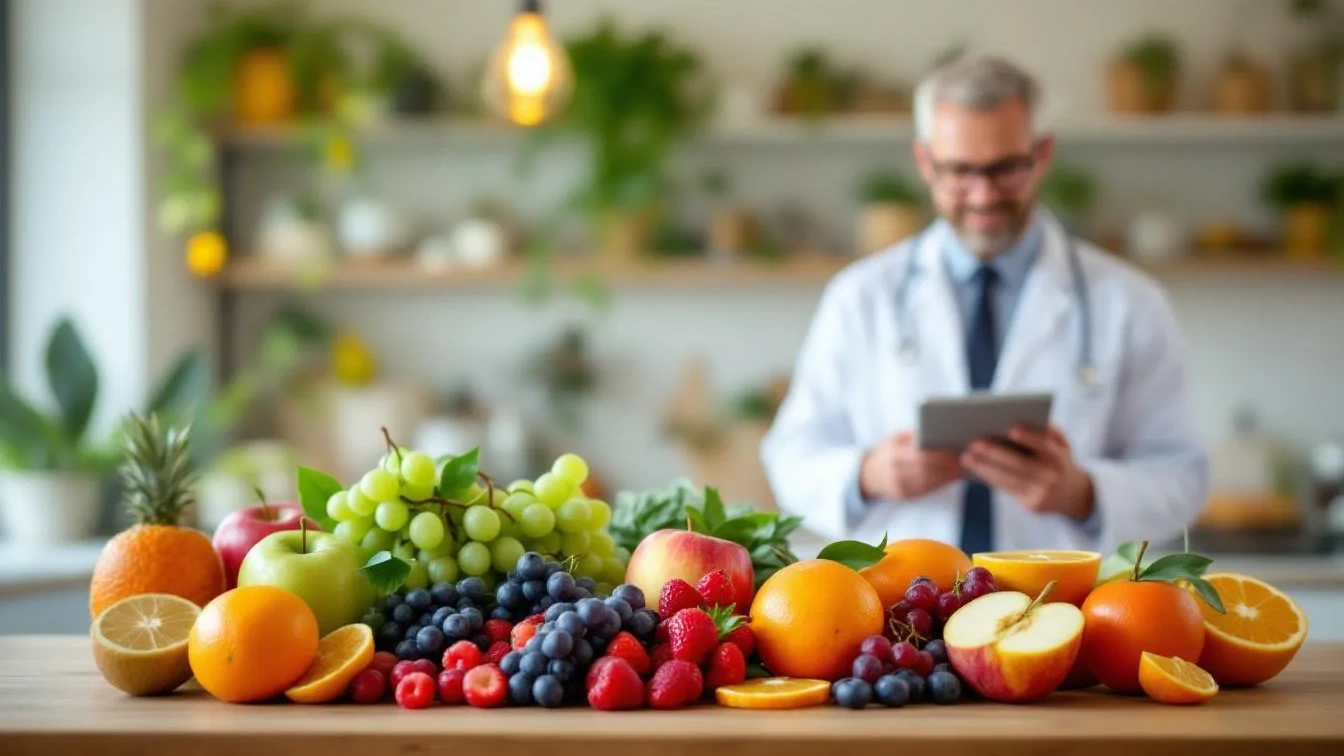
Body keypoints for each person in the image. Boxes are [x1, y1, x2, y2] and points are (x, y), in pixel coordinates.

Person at [760, 56, 1207, 553]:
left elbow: (1183, 476)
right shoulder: (860, 297)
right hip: (902, 595)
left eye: (1005, 169)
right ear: (925, 162)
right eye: (959, 170)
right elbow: (791, 458)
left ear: (1041, 155)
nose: (983, 195)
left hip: (1060, 593)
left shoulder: (1131, 303)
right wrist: (868, 475)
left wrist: (1084, 493)